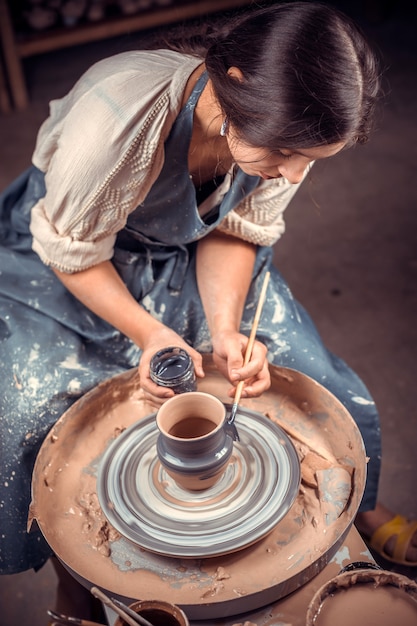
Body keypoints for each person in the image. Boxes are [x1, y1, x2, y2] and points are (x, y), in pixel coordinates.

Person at [1, 0, 416, 614]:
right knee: (35, 415)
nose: (293, 173)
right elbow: (72, 251)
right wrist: (151, 334)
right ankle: (82, 586)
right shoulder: (117, 118)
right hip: (76, 253)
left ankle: (357, 511)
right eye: (285, 154)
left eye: (311, 159)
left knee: (313, 382)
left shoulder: (288, 129)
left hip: (188, 244)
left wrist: (224, 331)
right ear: (238, 87)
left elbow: (236, 231)